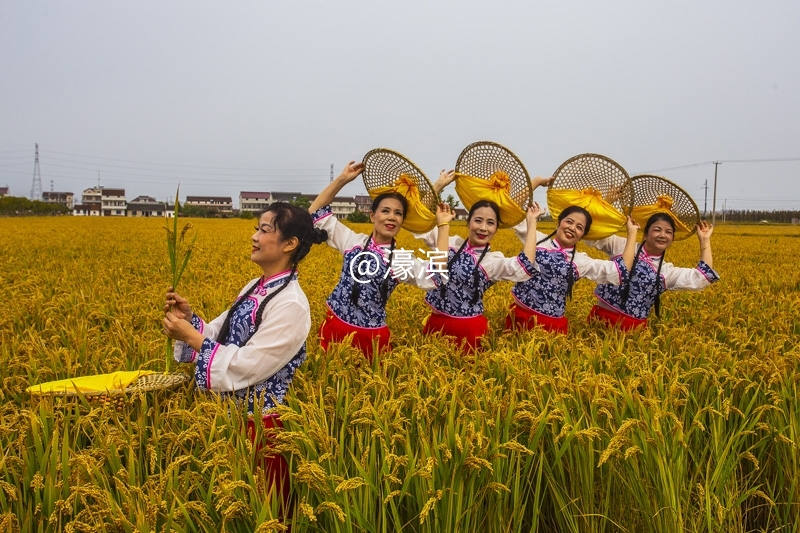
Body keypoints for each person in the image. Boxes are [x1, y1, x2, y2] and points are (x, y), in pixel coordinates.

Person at [162, 202, 327, 508]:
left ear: (289, 244)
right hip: (224, 421)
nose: (254, 236)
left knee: (263, 511)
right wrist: (190, 321)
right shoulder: (255, 286)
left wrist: (192, 338)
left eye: (265, 230)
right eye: (257, 228)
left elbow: (249, 365)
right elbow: (220, 336)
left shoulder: (291, 304)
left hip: (260, 430)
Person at [309, 161, 452, 361]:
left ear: (402, 221)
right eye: (385, 211)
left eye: (398, 213)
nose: (391, 217)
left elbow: (436, 274)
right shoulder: (352, 241)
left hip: (372, 340)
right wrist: (342, 179)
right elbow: (316, 213)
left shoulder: (399, 260)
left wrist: (444, 225)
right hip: (335, 329)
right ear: (372, 216)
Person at [415, 197, 541, 350]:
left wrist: (532, 222)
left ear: (496, 228)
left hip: (469, 330)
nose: (483, 228)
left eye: (490, 223)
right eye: (478, 220)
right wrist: (439, 186)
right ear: (468, 222)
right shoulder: (448, 242)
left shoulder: (492, 261)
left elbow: (524, 266)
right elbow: (419, 223)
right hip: (435, 325)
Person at [506, 201, 639, 334]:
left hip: (551, 328)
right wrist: (535, 183)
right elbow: (511, 211)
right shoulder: (536, 239)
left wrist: (632, 232)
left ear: (583, 235)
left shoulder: (580, 261)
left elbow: (620, 271)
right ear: (559, 222)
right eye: (569, 221)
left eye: (579, 227)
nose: (572, 228)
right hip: (518, 318)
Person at [586, 213, 719, 330]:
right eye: (657, 230)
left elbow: (702, 277)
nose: (662, 235)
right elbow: (590, 233)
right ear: (645, 233)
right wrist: (606, 206)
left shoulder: (666, 272)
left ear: (672, 239)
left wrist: (705, 240)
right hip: (599, 322)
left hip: (633, 332)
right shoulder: (621, 246)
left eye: (668, 232)